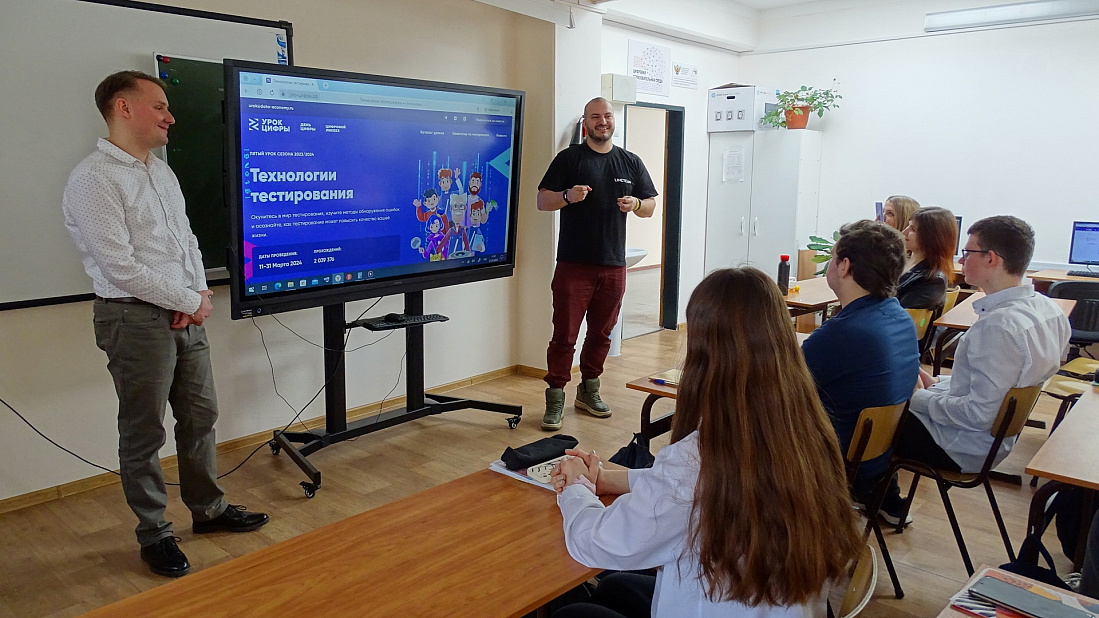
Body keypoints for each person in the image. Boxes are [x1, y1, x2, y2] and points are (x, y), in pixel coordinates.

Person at [549, 268, 862, 617]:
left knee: (572, 614)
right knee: (615, 588)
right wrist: (611, 479)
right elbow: (692, 490)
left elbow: (598, 544)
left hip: (721, 603)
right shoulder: (804, 430)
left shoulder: (699, 459)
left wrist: (575, 487)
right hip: (771, 603)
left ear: (704, 355)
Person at [62, 71, 268, 578]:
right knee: (144, 430)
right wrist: (188, 299)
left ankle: (209, 510)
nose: (170, 117)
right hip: (133, 319)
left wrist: (198, 293)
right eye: (158, 106)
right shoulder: (94, 178)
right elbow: (120, 266)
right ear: (123, 108)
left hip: (185, 312)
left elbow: (187, 241)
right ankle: (154, 533)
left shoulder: (162, 173)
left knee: (200, 416)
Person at [882, 216, 1071, 523]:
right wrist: (937, 384)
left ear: (991, 259)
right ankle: (882, 498)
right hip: (995, 442)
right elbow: (997, 387)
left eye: (967, 252)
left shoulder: (998, 327)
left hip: (961, 446)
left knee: (863, 414)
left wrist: (917, 397)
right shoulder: (1048, 309)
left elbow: (978, 414)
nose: (960, 260)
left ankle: (878, 500)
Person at [537, 97, 658, 431]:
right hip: (574, 265)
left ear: (613, 120)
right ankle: (555, 396)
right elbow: (542, 200)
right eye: (595, 117)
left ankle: (589, 390)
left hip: (613, 265)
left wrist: (636, 204)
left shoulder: (630, 161)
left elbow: (650, 205)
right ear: (586, 123)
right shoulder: (569, 159)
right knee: (564, 335)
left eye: (607, 116)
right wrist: (567, 196)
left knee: (602, 334)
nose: (602, 122)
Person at [801, 220, 920, 511]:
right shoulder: (900, 318)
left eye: (832, 258)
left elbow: (777, 389)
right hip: (875, 461)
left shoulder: (845, 333)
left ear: (844, 266)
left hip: (831, 464)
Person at [898, 206, 957, 310]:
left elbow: (899, 314)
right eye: (908, 225)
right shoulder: (899, 260)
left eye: (913, 229)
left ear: (931, 237)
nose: (904, 232)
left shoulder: (933, 281)